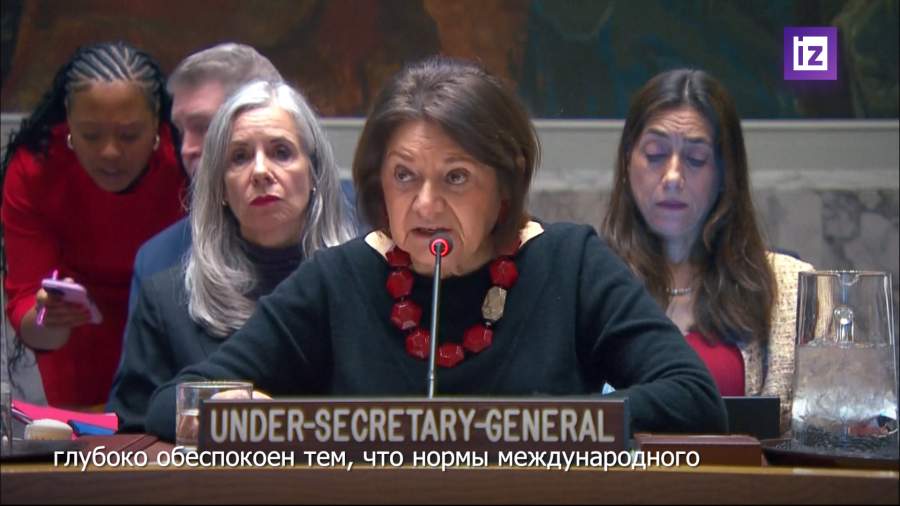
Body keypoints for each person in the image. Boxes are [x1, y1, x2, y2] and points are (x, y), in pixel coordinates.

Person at [144, 56, 727, 441]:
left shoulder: (569, 263)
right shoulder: (340, 277)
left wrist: (549, 425)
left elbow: (693, 396)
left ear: (504, 185)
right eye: (404, 176)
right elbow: (170, 401)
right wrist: (227, 410)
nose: (425, 206)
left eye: (455, 177)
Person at [108, 81, 356, 431]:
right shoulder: (166, 300)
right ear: (221, 187)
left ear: (313, 172)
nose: (260, 171)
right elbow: (130, 425)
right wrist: (204, 410)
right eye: (239, 157)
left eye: (281, 152)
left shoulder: (363, 282)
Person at [601, 69, 814, 433]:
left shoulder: (793, 288)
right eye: (655, 154)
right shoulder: (589, 282)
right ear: (626, 162)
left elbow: (833, 426)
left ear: (724, 174)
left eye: (696, 159)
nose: (672, 177)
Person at [1, 41, 187, 408]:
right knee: (89, 441)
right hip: (77, 337)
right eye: (90, 134)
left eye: (129, 135)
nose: (110, 152)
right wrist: (49, 318)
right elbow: (27, 303)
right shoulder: (36, 170)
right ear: (68, 123)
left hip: (174, 323)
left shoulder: (186, 163)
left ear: (157, 124)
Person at [126, 43, 284, 315]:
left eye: (203, 127)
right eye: (180, 131)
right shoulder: (158, 260)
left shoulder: (357, 233)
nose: (186, 149)